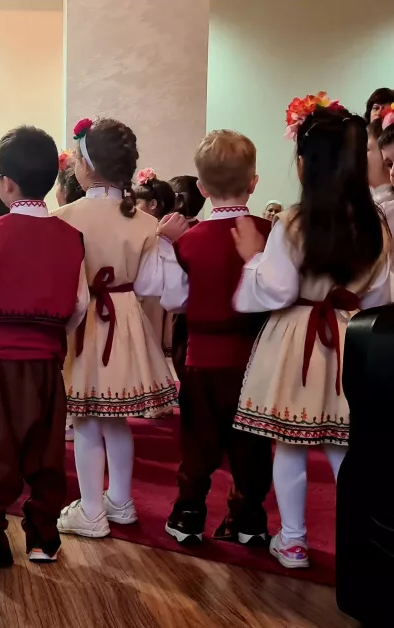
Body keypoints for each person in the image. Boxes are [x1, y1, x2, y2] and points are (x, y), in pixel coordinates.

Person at [232, 96, 391, 569]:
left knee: (290, 441)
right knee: (345, 444)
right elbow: (382, 293)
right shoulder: (377, 223)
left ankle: (294, 540)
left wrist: (253, 257)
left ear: (306, 164)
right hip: (351, 336)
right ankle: (361, 543)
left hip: (295, 336)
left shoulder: (293, 223)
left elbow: (278, 289)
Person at [0, 126, 89, 568]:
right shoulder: (72, 237)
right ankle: (44, 537)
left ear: (6, 183)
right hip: (46, 366)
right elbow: (79, 304)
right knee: (46, 451)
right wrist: (51, 334)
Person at [55, 117, 184, 538]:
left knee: (86, 419)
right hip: (126, 320)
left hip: (84, 322)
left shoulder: (64, 217)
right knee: (116, 420)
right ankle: (121, 501)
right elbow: (148, 287)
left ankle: (92, 510)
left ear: (88, 166)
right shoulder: (145, 222)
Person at [159, 130, 273, 546]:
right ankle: (250, 518)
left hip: (201, 359)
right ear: (254, 182)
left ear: (203, 189)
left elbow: (174, 300)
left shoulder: (188, 240)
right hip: (255, 360)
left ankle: (188, 514)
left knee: (197, 441)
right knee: (252, 441)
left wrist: (168, 248)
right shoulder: (269, 233)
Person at [134, 168, 176, 414]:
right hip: (146, 292)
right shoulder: (145, 229)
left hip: (152, 293)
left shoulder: (158, 230)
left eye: (137, 202)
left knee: (149, 346)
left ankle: (155, 401)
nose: (133, 206)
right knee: (144, 347)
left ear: (152, 205)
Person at [56, 150, 87, 442]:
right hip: (89, 302)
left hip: (72, 303)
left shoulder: (60, 221)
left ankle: (72, 414)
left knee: (71, 361)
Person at [167, 175, 206, 382]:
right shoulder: (202, 229)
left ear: (178, 200)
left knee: (182, 350)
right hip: (197, 303)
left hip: (184, 304)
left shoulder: (177, 233)